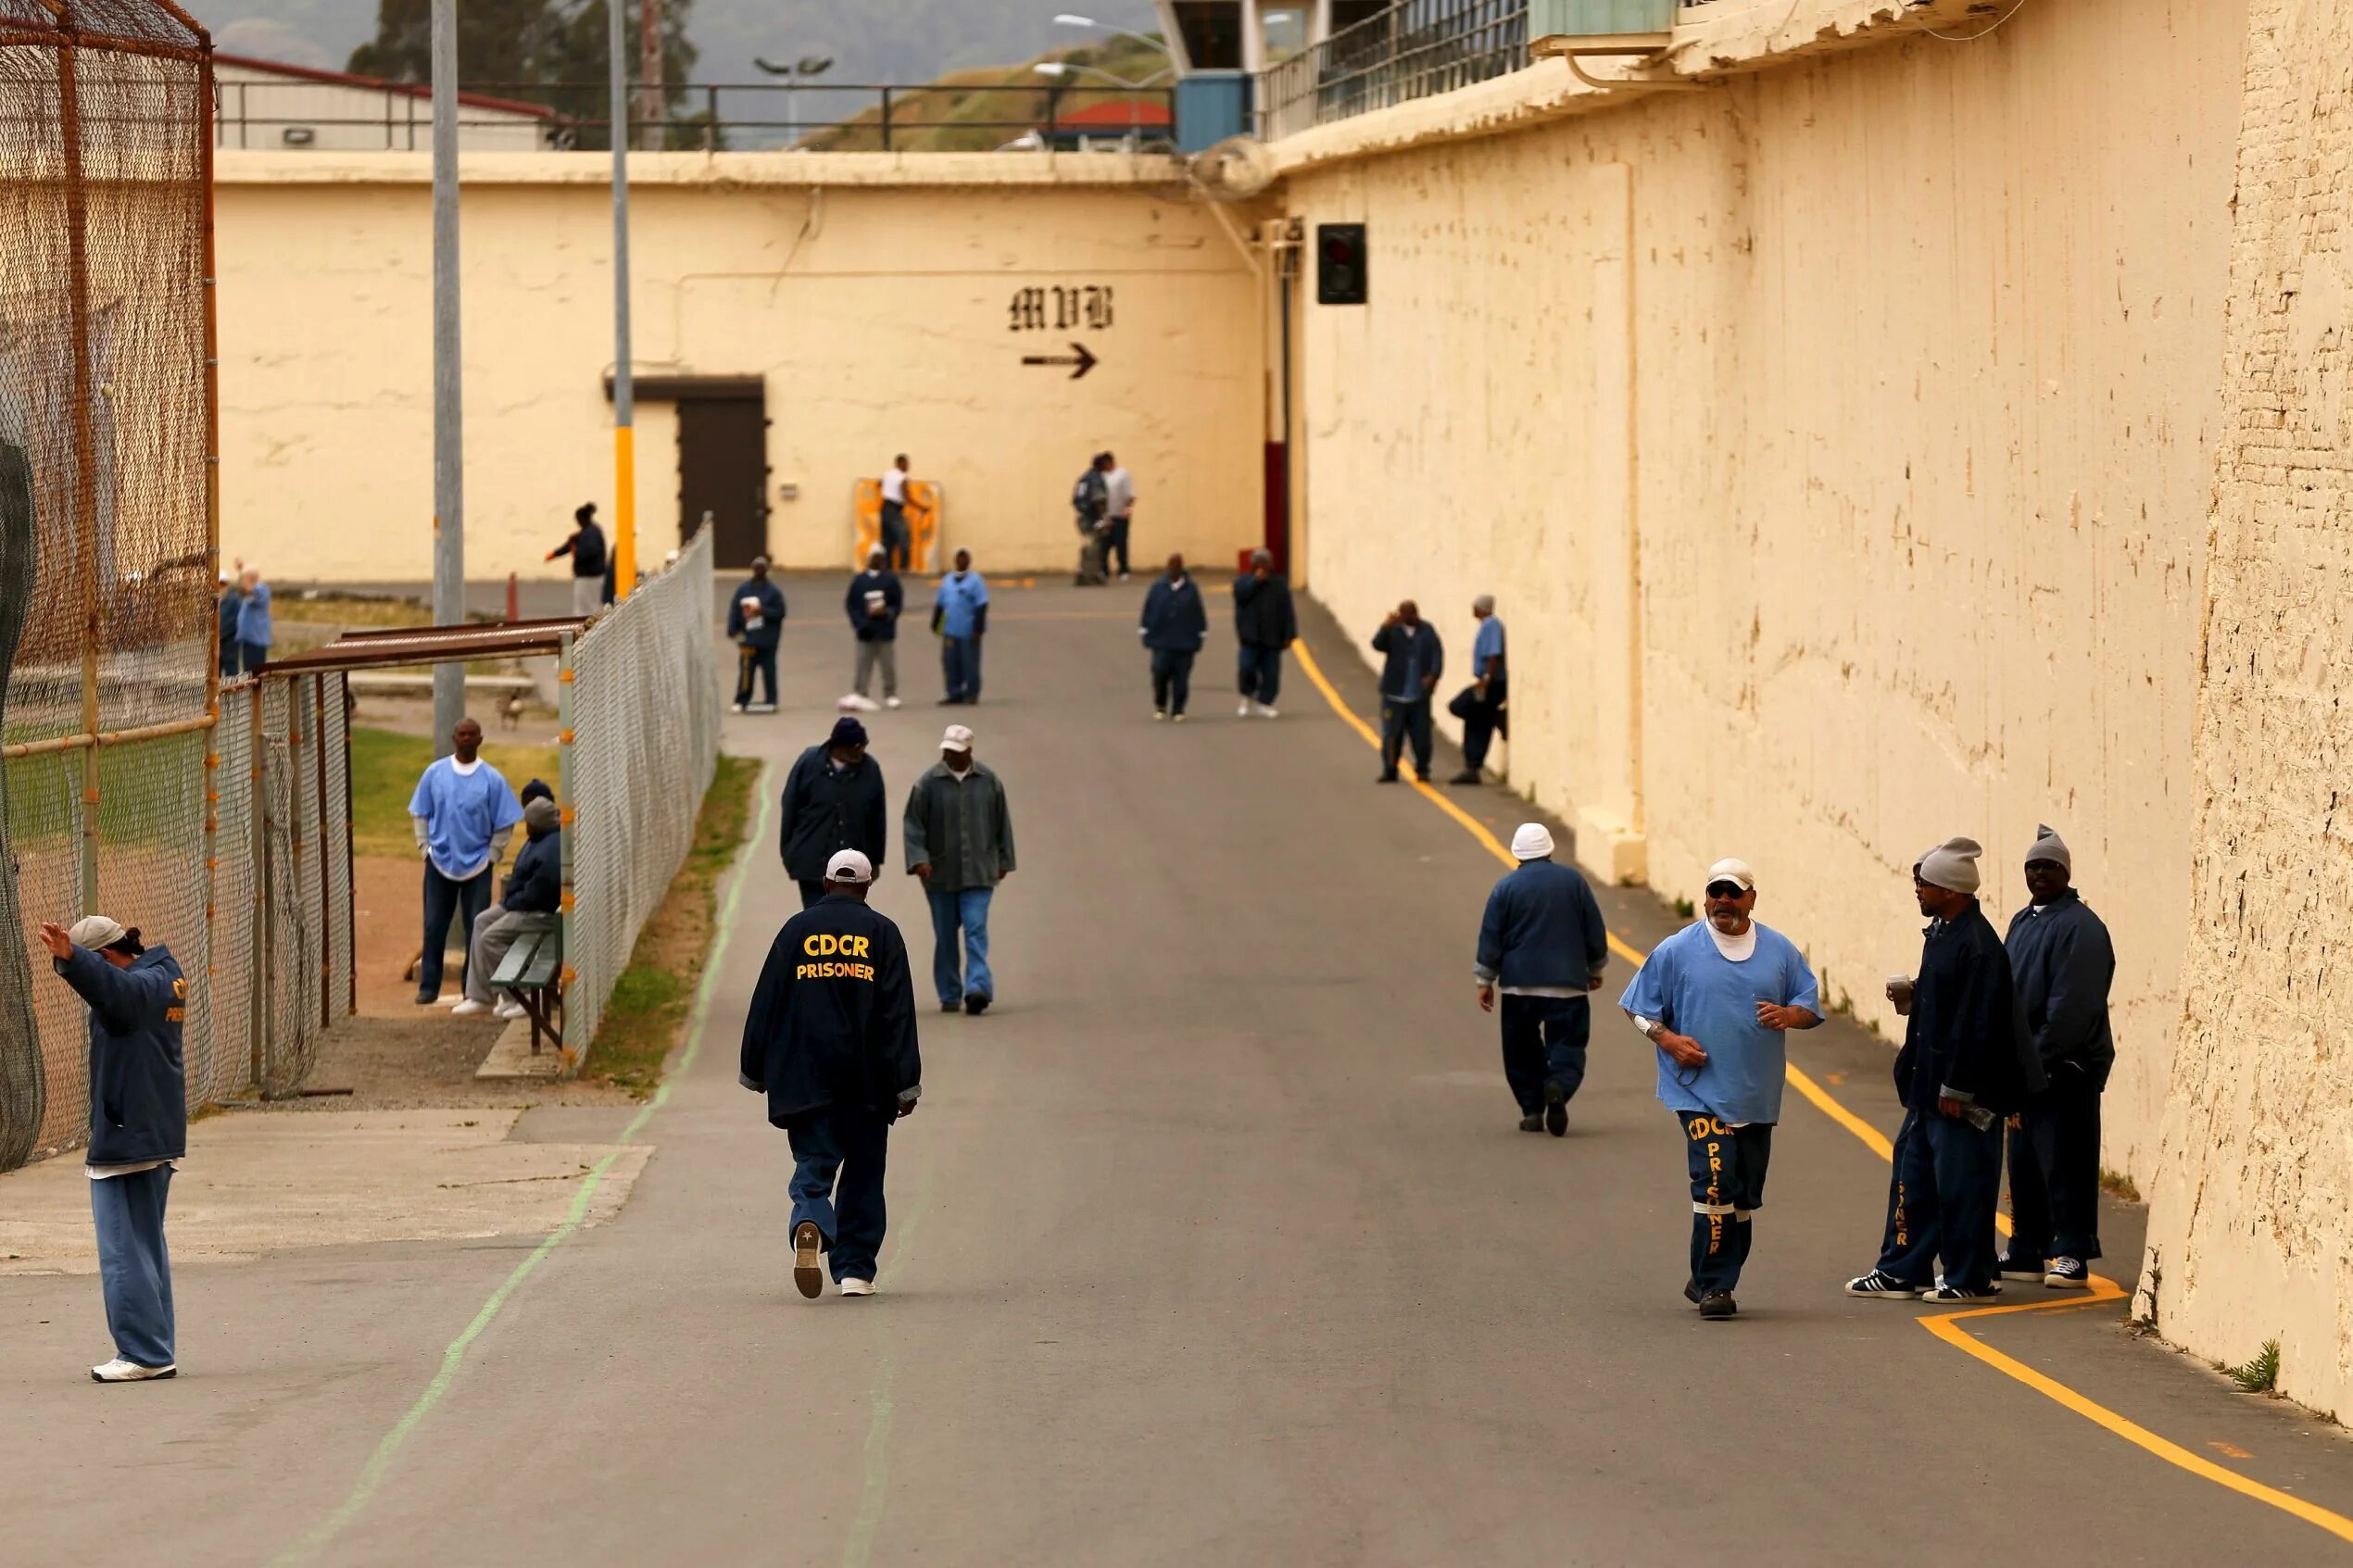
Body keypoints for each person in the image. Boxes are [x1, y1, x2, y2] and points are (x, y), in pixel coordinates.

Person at [1619, 859, 1822, 1321]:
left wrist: (1790, 1016)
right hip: (1697, 1093)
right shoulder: (1677, 950)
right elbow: (1636, 1008)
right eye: (1716, 892)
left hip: (1756, 1095)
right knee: (1715, 1183)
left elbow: (1809, 1006)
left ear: (1752, 898)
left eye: (1733, 892)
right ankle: (1717, 1286)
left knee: (1744, 1197)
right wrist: (1668, 1041)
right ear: (1705, 896)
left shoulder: (1779, 951)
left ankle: (1709, 1273)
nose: (1723, 901)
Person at [1846, 837, 2044, 1303]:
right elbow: (1949, 1005)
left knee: (1962, 1188)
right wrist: (1913, 995)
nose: (1918, 889)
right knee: (1912, 1179)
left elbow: (1979, 1024)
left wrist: (1958, 1087)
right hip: (1928, 1091)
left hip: (1958, 1096)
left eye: (1926, 883)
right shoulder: (1943, 932)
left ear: (1952, 891)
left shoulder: (1977, 945)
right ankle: (1903, 1270)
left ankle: (1970, 1277)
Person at [739, 848, 921, 1300]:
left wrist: (753, 1067)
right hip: (867, 1081)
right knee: (863, 1172)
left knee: (814, 1163)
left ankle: (810, 1217)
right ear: (866, 886)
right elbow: (897, 1014)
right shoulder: (883, 933)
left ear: (824, 884)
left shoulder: (795, 931)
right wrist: (906, 1081)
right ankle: (855, 1271)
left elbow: (765, 1002)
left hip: (805, 1077)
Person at [37, 914, 184, 1382]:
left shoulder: (133, 993)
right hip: (151, 1132)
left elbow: (113, 993)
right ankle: (155, 1348)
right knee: (144, 1248)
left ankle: (142, 1351)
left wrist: (73, 960)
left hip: (127, 1138)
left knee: (124, 1251)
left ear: (103, 959)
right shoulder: (163, 978)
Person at [2000, 824, 2115, 1291]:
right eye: (2033, 865)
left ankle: (2071, 1250)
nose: (2040, 873)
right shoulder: (2023, 921)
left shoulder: (2082, 927)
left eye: (2049, 866)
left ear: (2066, 872)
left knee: (2066, 1160)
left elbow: (2074, 1006)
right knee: (2024, 1160)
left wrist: (2040, 1055)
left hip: (2066, 1069)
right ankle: (2027, 1246)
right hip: (2026, 1068)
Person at [1473, 823, 1609, 1138]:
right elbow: (1593, 929)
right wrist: (1595, 968)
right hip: (1567, 983)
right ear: (1549, 849)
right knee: (1568, 1043)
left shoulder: (1505, 887)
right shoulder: (1574, 882)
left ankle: (1532, 1110)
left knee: (1520, 1048)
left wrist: (1485, 980)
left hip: (1519, 985)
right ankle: (1558, 1084)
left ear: (1517, 854)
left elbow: (1491, 936)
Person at [408, 718, 523, 1005]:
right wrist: (425, 847)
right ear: (454, 737)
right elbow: (420, 811)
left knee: (476, 927)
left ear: (480, 739)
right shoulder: (435, 774)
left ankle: (470, 989)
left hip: (478, 866)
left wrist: (492, 855)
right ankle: (428, 986)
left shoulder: (492, 779)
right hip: (439, 863)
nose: (467, 739)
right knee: (435, 924)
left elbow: (505, 823)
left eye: (473, 734)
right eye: (462, 734)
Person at [903, 723, 1015, 1015]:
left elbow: (1002, 823)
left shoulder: (989, 781)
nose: (950, 756)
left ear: (969, 752)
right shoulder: (927, 783)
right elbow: (913, 825)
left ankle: (977, 988)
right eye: (946, 751)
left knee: (976, 928)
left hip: (980, 871)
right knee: (945, 935)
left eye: (956, 752)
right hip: (939, 874)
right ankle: (949, 992)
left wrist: (1004, 860)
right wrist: (919, 859)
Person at [450, 796, 562, 1020]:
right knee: (481, 921)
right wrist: (510, 903)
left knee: (491, 938)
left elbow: (538, 894)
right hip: (522, 905)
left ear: (538, 823)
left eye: (529, 822)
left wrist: (511, 904)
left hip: (538, 913)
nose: (526, 826)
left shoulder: (551, 848)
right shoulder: (541, 838)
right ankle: (480, 996)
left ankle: (525, 995)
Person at [780, 716, 888, 909]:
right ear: (839, 746)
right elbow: (790, 807)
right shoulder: (809, 763)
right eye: (858, 746)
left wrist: (876, 859)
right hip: (812, 865)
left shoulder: (870, 769)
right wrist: (789, 852)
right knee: (817, 924)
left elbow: (877, 817)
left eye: (864, 745)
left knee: (849, 927)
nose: (862, 751)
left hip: (851, 873)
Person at [1371, 600, 1444, 784]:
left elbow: (1437, 654)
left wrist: (1433, 676)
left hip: (1419, 696)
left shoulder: (1427, 631)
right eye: (1405, 613)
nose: (1409, 617)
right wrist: (1385, 626)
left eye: (1412, 613)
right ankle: (1390, 769)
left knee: (1421, 735)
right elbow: (1377, 645)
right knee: (1391, 735)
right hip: (1394, 694)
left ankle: (1422, 769)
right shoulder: (1393, 631)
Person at [1447, 595, 1508, 785]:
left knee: (1462, 707)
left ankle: (1473, 765)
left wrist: (1486, 679)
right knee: (1476, 718)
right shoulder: (1487, 625)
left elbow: (1493, 655)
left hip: (1490, 683)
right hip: (1485, 681)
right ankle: (1471, 766)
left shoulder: (1491, 625)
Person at [1139, 552, 1207, 721]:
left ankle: (1178, 709)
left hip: (1185, 643)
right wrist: (1145, 632)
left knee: (1181, 677)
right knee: (1159, 673)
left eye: (1176, 567)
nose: (1173, 570)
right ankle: (1160, 705)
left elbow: (1198, 614)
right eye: (1171, 566)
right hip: (1161, 641)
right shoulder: (1158, 587)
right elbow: (1148, 611)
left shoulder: (1191, 589)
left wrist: (1200, 636)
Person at [1231, 548, 1296, 718]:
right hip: (1250, 636)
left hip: (1272, 637)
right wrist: (1255, 581)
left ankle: (1265, 702)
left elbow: (1287, 610)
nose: (1261, 567)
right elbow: (1240, 595)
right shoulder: (1243, 582)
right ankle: (1247, 695)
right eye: (1258, 563)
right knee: (1246, 667)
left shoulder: (1279, 584)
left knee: (1271, 673)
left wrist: (1290, 634)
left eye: (1264, 563)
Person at [846, 546, 904, 709]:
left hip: (885, 631)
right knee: (863, 663)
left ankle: (890, 693)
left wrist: (887, 612)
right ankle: (860, 692)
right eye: (874, 557)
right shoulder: (860, 581)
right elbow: (851, 605)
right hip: (865, 632)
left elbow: (897, 604)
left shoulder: (891, 580)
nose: (877, 560)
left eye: (880, 557)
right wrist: (859, 623)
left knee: (887, 665)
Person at [727, 556, 786, 715]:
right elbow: (735, 610)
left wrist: (764, 611)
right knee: (747, 671)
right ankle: (742, 700)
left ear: (766, 570)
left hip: (767, 640)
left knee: (769, 672)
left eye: (762, 568)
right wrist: (733, 630)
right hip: (748, 640)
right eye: (757, 567)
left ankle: (771, 700)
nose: (759, 570)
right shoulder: (744, 589)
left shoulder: (773, 592)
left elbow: (781, 612)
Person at [933, 549, 989, 706]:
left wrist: (978, 630)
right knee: (950, 663)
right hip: (950, 630)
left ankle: (972, 693)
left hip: (968, 631)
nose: (961, 561)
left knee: (970, 663)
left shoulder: (976, 581)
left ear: (969, 561)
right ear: (955, 561)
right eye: (959, 558)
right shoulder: (947, 580)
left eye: (964, 559)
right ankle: (954, 693)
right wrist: (935, 625)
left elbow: (981, 605)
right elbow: (940, 604)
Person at [547, 503, 610, 618]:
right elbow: (570, 546)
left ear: (581, 519)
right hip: (590, 576)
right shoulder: (589, 531)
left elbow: (589, 551)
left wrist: (576, 551)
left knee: (586, 609)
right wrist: (555, 554)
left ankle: (587, 630)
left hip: (589, 577)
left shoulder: (590, 534)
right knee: (590, 605)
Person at [1071, 454, 1112, 587]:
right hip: (1091, 517)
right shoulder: (1096, 479)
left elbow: (1075, 499)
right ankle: (1089, 576)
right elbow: (1098, 500)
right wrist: (1105, 518)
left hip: (1082, 516)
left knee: (1088, 545)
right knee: (1093, 547)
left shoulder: (1084, 478)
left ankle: (1084, 573)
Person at [1102, 450, 1137, 581]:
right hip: (1106, 516)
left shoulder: (1122, 474)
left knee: (1121, 544)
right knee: (1104, 545)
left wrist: (1128, 508)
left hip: (1120, 515)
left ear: (1110, 462)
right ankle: (1104, 571)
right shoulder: (1102, 475)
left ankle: (1123, 569)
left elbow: (1130, 494)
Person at [234, 563, 271, 675]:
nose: (241, 582)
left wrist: (242, 571)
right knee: (248, 674)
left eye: (243, 579)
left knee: (254, 675)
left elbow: (253, 590)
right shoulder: (251, 594)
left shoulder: (261, 590)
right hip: (249, 641)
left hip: (256, 642)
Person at [879, 455, 914, 571]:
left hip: (884, 509)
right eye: (906, 464)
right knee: (904, 538)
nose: (908, 466)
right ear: (900, 464)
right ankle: (904, 568)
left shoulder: (887, 474)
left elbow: (879, 484)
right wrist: (922, 508)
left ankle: (887, 568)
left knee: (887, 541)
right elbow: (906, 497)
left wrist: (887, 491)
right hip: (894, 510)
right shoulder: (902, 477)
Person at [215, 571, 242, 679]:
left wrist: (220, 634)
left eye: (223, 585)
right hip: (216, 645)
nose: (221, 588)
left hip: (230, 644)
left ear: (227, 586)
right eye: (219, 585)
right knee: (216, 673)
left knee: (231, 673)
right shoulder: (213, 601)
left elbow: (235, 621)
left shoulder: (234, 600)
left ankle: (233, 694)